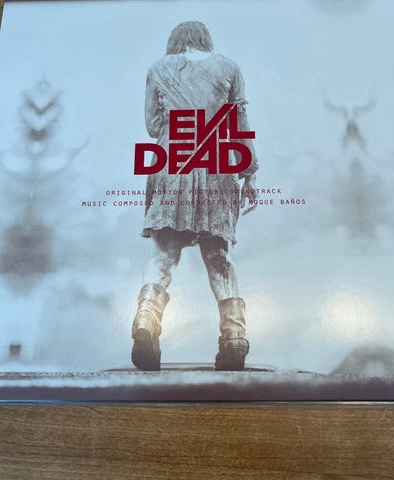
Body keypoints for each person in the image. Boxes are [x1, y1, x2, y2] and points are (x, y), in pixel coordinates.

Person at [132, 21, 259, 371]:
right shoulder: (229, 67)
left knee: (164, 254)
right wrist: (249, 172)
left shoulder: (158, 68)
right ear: (206, 40)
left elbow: (153, 126)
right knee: (219, 255)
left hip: (171, 160)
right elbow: (240, 123)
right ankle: (234, 336)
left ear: (175, 41)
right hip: (216, 162)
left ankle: (146, 318)